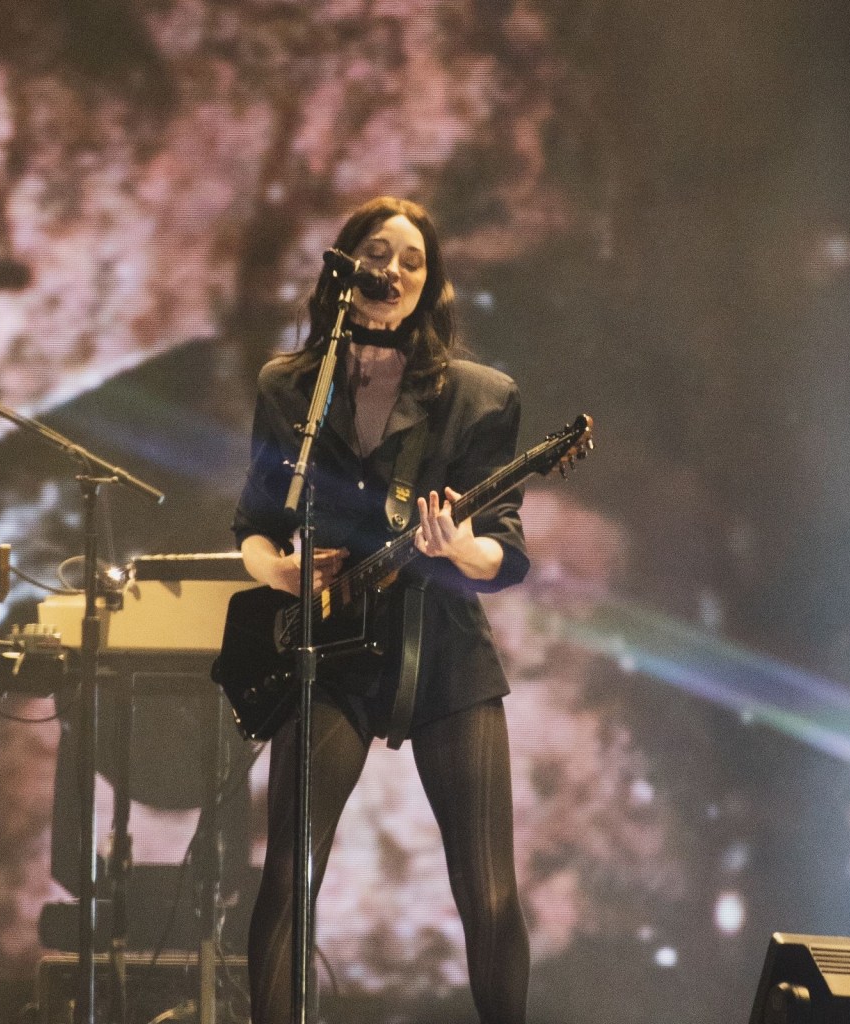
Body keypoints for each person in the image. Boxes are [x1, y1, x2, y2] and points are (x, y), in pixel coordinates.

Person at [232, 195, 531, 1023]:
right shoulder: (290, 388)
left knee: (488, 891)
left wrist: (455, 547)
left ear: (429, 284)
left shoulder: (479, 397)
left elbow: (503, 551)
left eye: (411, 259)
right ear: (345, 264)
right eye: (377, 252)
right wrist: (282, 574)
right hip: (330, 653)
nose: (392, 269)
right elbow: (253, 530)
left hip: (444, 652)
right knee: (288, 878)